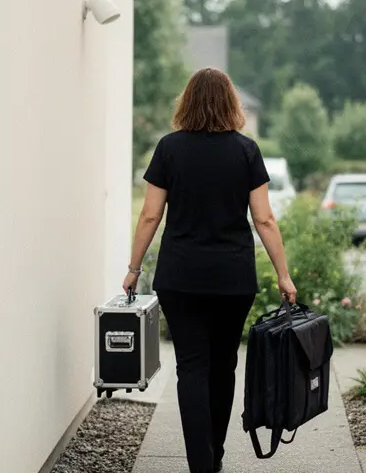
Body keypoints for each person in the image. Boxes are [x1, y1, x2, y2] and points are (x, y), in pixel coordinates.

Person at [123, 68, 297, 473]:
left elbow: (150, 215)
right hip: (233, 278)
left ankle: (201, 463)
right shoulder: (246, 151)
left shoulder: (169, 149)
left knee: (192, 367)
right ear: (231, 103)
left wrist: (133, 268)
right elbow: (265, 220)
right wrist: (283, 275)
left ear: (187, 102)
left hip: (181, 277)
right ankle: (214, 454)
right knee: (224, 365)